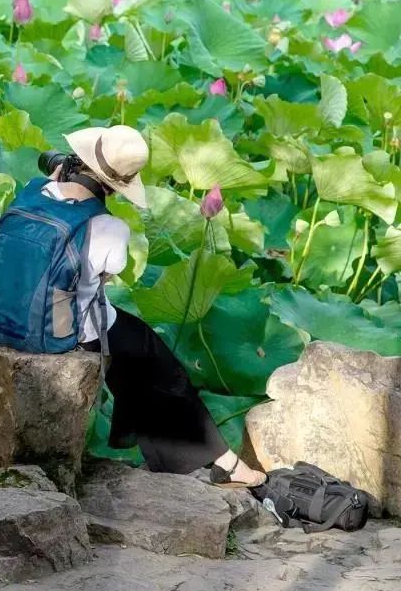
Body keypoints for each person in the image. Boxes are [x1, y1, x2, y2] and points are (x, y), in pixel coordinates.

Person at [47, 125, 266, 488]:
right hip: (65, 329)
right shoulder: (107, 226)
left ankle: (166, 453)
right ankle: (224, 462)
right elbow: (107, 274)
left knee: (133, 355)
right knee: (161, 366)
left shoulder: (35, 194)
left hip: (10, 320)